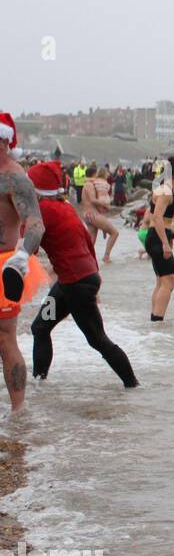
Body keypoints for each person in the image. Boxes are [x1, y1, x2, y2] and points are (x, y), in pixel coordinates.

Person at [25, 162, 137, 388]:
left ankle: (133, 385)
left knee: (98, 340)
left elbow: (28, 246)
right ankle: (39, 384)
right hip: (75, 282)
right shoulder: (65, 206)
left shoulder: (42, 211)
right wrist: (95, 278)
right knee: (40, 327)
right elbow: (87, 242)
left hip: (76, 284)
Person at [0, 113, 48, 412]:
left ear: (5, 141)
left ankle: (18, 412)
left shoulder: (14, 177)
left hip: (3, 264)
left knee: (5, 338)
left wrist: (22, 256)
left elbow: (35, 225)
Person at [145, 159, 174, 320]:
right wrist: (165, 244)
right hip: (157, 238)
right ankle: (157, 320)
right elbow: (156, 218)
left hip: (157, 237)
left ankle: (154, 319)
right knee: (169, 282)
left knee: (162, 282)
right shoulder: (165, 191)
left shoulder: (167, 191)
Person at [81, 166, 119, 264]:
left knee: (90, 241)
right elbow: (93, 200)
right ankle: (106, 257)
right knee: (114, 233)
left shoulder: (88, 183)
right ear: (94, 174)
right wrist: (106, 205)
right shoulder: (89, 184)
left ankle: (84, 260)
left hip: (88, 215)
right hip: (92, 215)